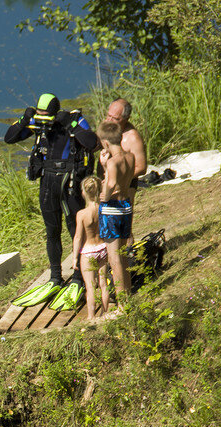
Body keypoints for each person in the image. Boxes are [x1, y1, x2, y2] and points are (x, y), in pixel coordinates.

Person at [4, 93, 99, 309]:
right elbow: (9, 138)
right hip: (47, 181)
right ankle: (55, 277)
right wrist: (24, 119)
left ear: (55, 112)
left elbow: (92, 142)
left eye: (46, 115)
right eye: (40, 114)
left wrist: (71, 124)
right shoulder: (38, 124)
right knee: (51, 230)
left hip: (70, 183)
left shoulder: (72, 120)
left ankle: (78, 277)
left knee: (76, 230)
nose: (43, 118)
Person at [97, 120, 136, 303]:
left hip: (112, 209)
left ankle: (122, 305)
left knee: (114, 260)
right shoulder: (130, 157)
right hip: (125, 207)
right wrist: (105, 167)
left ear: (105, 142)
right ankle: (127, 298)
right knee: (122, 256)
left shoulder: (113, 162)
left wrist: (103, 196)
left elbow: (111, 184)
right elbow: (119, 179)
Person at [100, 98, 147, 230]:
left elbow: (142, 167)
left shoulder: (132, 137)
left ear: (125, 119)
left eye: (115, 118)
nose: (109, 120)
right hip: (107, 182)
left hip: (125, 184)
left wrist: (121, 178)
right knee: (106, 224)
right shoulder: (107, 127)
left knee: (123, 224)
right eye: (108, 115)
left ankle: (127, 249)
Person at [72, 176, 110, 320]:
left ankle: (90, 317)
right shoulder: (103, 209)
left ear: (84, 192)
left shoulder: (82, 214)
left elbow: (78, 237)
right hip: (102, 247)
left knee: (90, 286)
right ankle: (105, 313)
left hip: (88, 251)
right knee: (103, 284)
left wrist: (75, 257)